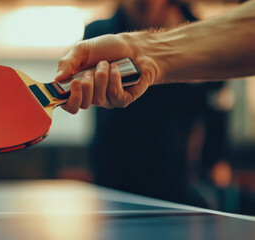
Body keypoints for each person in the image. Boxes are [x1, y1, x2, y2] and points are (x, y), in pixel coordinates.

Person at [56, 0, 255, 205]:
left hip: (174, 180)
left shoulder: (203, 34)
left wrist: (216, 159)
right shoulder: (97, 33)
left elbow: (217, 104)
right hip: (112, 177)